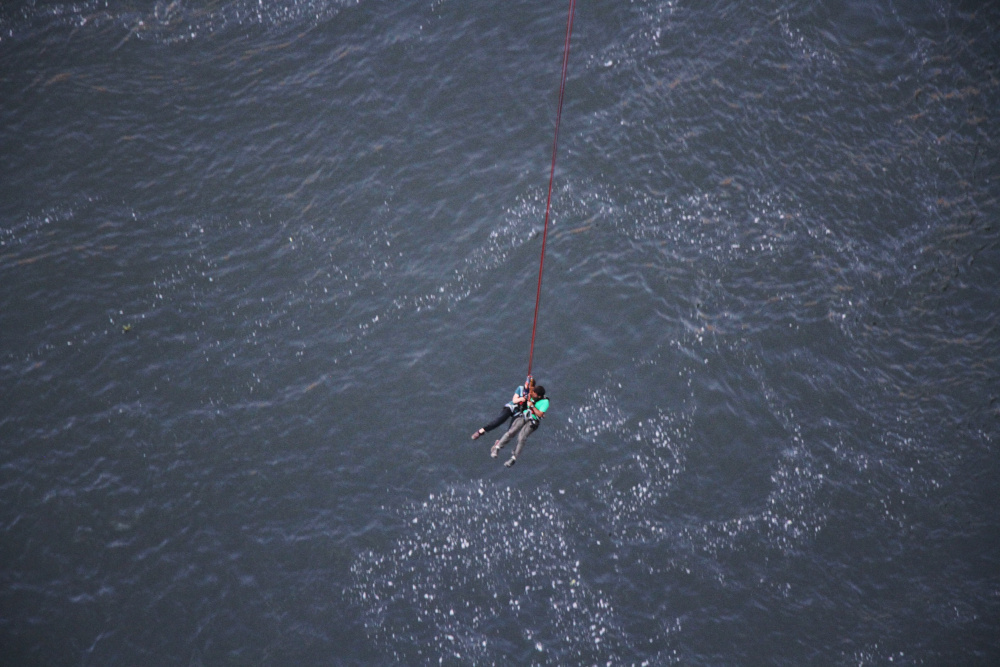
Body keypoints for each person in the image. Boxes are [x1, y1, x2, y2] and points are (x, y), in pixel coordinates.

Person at [491, 384, 549, 467]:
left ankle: (513, 458)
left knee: (521, 437)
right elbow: (529, 388)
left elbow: (540, 414)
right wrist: (528, 382)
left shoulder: (545, 402)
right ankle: (497, 448)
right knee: (512, 431)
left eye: (534, 394)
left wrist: (532, 406)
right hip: (525, 415)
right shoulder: (532, 394)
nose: (532, 394)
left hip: (533, 421)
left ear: (539, 396)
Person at [471, 376, 534, 440]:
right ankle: (480, 431)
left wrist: (529, 401)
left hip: (519, 412)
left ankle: (499, 442)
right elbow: (514, 400)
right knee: (498, 421)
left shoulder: (532, 395)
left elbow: (530, 407)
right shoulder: (520, 388)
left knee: (511, 431)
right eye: (527, 385)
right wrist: (521, 399)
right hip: (512, 407)